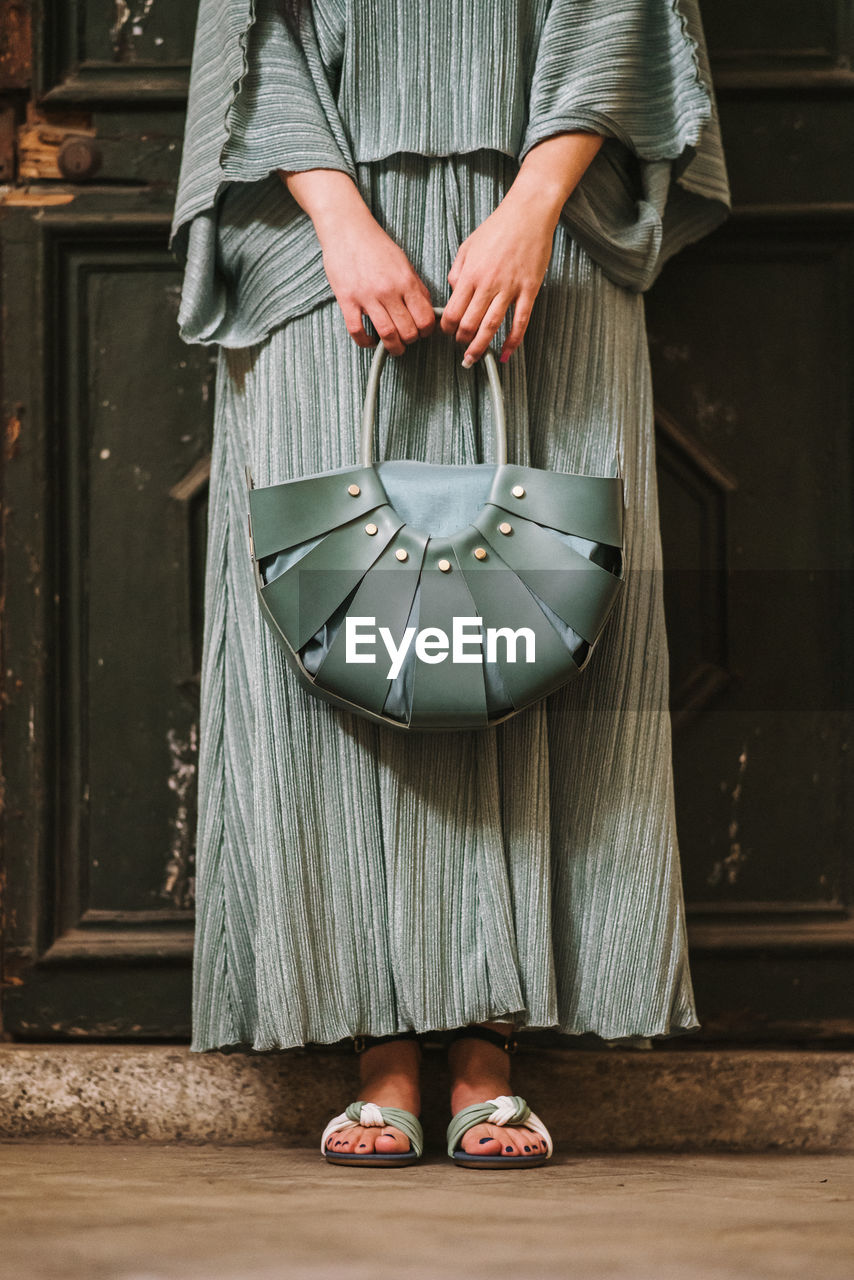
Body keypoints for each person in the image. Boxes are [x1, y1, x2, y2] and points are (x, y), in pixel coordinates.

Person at [169, 0, 731, 1166]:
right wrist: (340, 218)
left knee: (531, 618)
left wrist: (531, 206)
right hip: (313, 226)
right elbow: (253, 23)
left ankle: (486, 1047)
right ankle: (374, 1045)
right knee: (338, 630)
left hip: (549, 222)